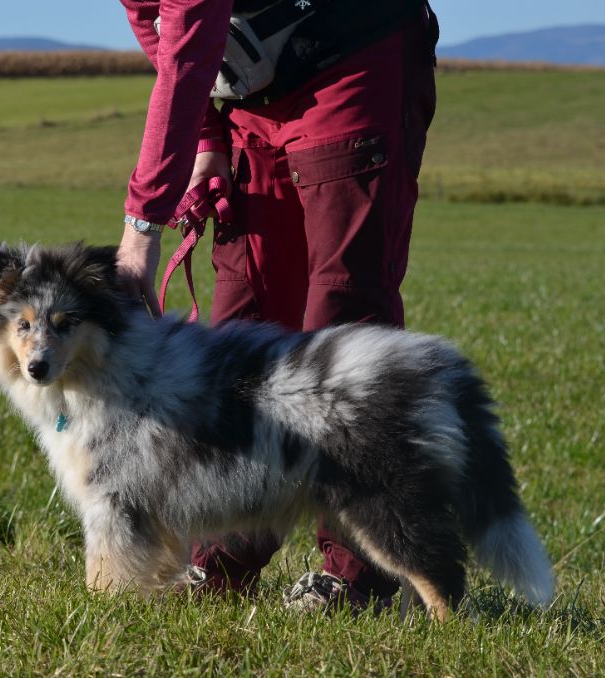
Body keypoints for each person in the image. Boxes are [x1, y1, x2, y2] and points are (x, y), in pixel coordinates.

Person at [115, 0, 439, 613]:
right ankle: (227, 555)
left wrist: (142, 227)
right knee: (243, 324)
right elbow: (153, 23)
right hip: (251, 99)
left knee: (342, 324)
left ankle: (357, 574)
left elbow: (189, 30)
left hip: (353, 59)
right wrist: (208, 136)